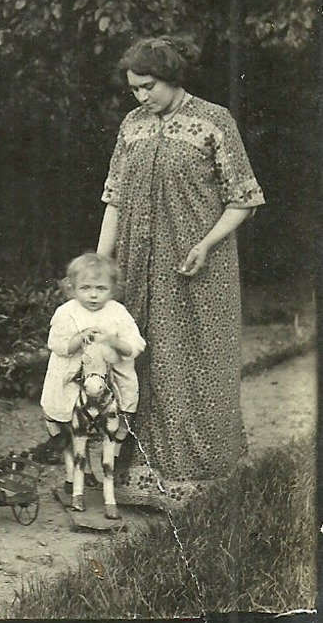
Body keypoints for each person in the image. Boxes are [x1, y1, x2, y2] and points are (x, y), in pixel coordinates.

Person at [96, 35, 265, 507]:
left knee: (192, 359)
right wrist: (100, 263)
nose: (140, 96)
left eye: (148, 86)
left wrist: (206, 244)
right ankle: (134, 470)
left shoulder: (214, 122)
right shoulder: (132, 126)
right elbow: (114, 197)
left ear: (172, 79)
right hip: (135, 265)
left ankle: (195, 473)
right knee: (134, 357)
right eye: (134, 89)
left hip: (195, 265)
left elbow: (244, 200)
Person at [41, 252, 146, 504]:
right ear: (72, 288)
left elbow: (135, 344)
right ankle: (74, 472)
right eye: (85, 288)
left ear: (113, 289)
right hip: (74, 371)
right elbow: (56, 344)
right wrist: (79, 339)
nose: (93, 295)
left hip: (109, 368)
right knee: (65, 410)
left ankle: (113, 454)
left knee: (126, 400)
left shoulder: (117, 312)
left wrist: (114, 341)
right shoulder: (66, 312)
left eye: (101, 288)